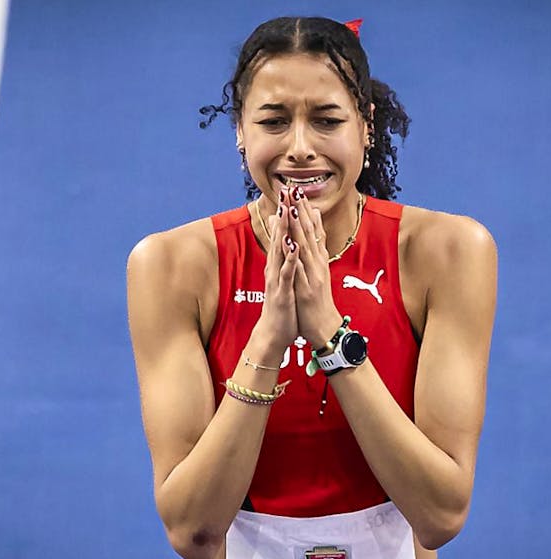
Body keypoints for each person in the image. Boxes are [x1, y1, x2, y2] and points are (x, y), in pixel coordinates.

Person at [127, 16, 497, 559]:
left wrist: (328, 332)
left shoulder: (447, 253)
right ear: (240, 130)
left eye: (327, 120)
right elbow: (193, 531)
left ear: (365, 126)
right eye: (274, 122)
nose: (300, 148)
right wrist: (270, 336)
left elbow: (440, 515)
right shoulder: (171, 266)